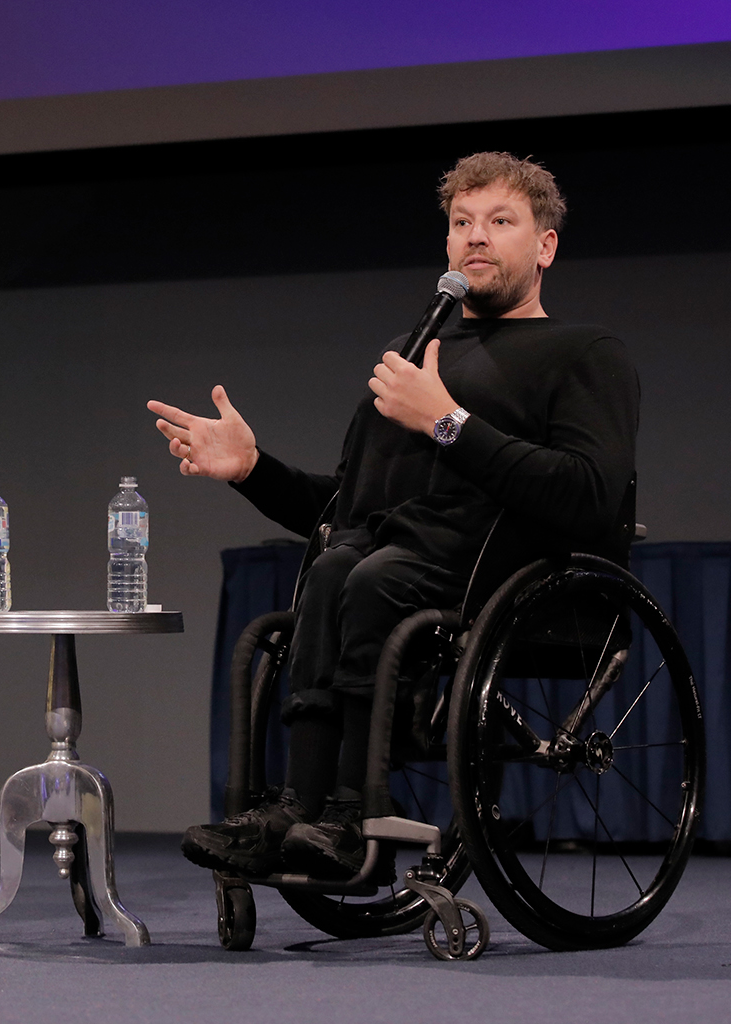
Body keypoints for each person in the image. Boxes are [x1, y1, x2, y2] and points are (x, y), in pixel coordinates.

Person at [148, 152, 638, 881]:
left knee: (370, 575)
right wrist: (253, 470)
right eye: (461, 223)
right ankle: (294, 810)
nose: (476, 237)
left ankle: (352, 817)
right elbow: (345, 512)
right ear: (445, 244)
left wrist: (446, 423)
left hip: (503, 575)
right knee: (337, 566)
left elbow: (591, 495)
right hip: (390, 565)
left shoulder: (583, 353)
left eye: (500, 221)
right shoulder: (413, 358)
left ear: (545, 246)